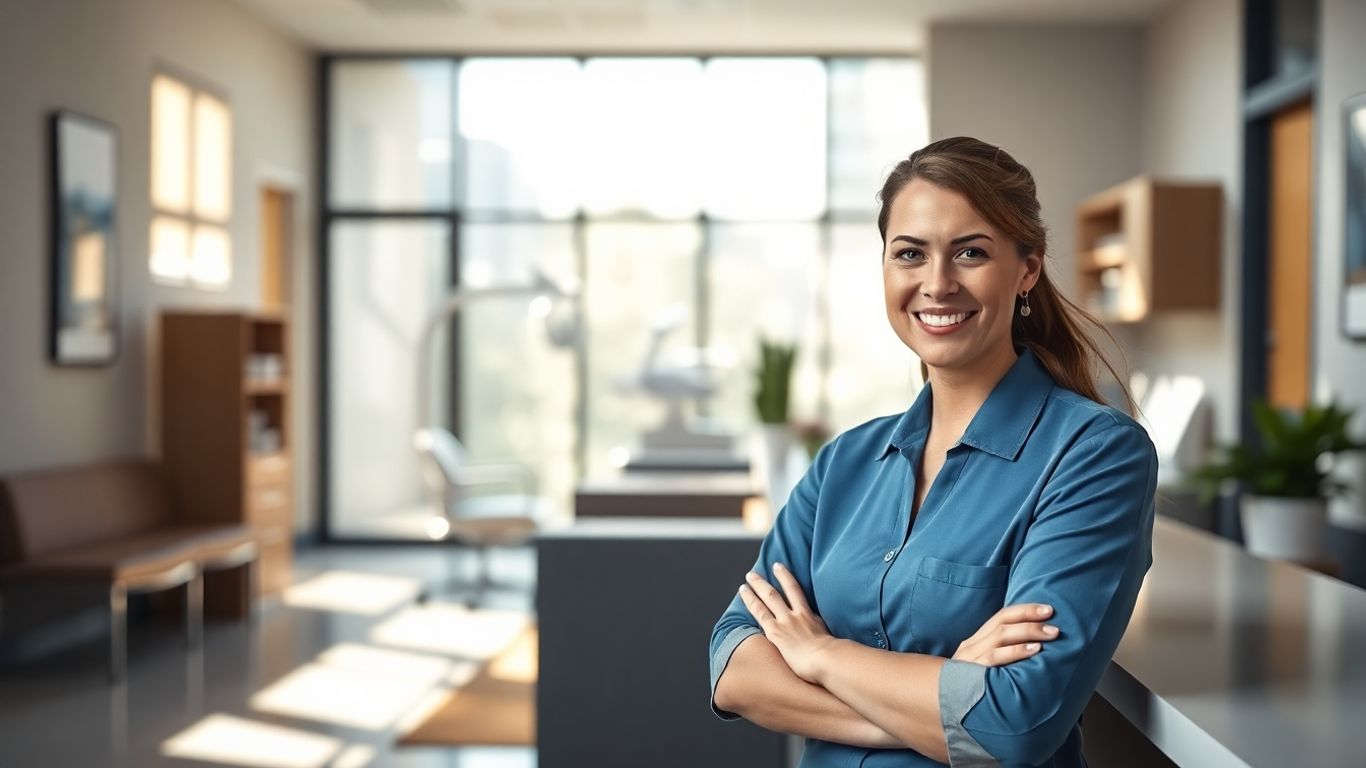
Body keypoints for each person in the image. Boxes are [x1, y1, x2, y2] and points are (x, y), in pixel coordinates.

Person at [708, 136, 1158, 767]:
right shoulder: (845, 462)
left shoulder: (1094, 455)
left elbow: (1015, 723)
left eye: (971, 252)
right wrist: (940, 695)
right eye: (910, 254)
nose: (937, 283)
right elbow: (734, 667)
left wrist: (822, 656)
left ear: (1028, 268)